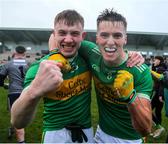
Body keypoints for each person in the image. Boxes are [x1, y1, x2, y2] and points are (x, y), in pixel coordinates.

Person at [11, 10, 144, 143]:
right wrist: (34, 90)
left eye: (74, 33)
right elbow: (17, 121)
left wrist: (130, 54)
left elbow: (112, 50)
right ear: (54, 34)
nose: (68, 40)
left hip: (85, 131)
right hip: (55, 133)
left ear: (82, 36)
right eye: (62, 33)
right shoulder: (42, 67)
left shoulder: (88, 57)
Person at [78, 9, 153, 143]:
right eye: (104, 35)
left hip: (129, 140)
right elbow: (57, 36)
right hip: (101, 132)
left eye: (117, 36)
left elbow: (146, 129)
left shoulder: (140, 71)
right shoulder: (92, 53)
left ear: (125, 39)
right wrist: (54, 55)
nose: (110, 42)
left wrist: (130, 97)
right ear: (97, 38)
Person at [0, 46, 28, 143]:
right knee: (19, 116)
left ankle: (21, 141)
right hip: (27, 93)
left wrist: (5, 85)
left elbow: (0, 81)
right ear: (24, 53)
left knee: (17, 118)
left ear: (14, 52)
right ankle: (12, 130)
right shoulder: (30, 64)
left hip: (14, 93)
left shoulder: (8, 64)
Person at [151, 56, 168, 138]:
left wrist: (160, 95)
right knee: (158, 112)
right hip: (161, 93)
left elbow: (162, 83)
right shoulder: (161, 68)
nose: (154, 61)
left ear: (159, 61)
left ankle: (159, 128)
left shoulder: (160, 69)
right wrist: (153, 66)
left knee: (147, 110)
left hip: (159, 93)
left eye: (155, 60)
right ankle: (159, 129)